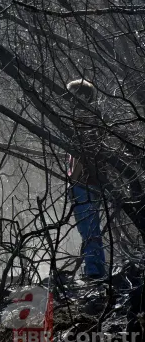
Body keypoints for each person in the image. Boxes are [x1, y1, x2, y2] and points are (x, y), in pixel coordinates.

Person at [65, 79, 106, 281]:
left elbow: (84, 155)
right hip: (86, 183)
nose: (69, 102)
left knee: (89, 228)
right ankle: (94, 268)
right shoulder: (88, 121)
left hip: (85, 184)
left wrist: (74, 181)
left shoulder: (85, 123)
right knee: (88, 228)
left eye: (72, 97)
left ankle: (95, 271)